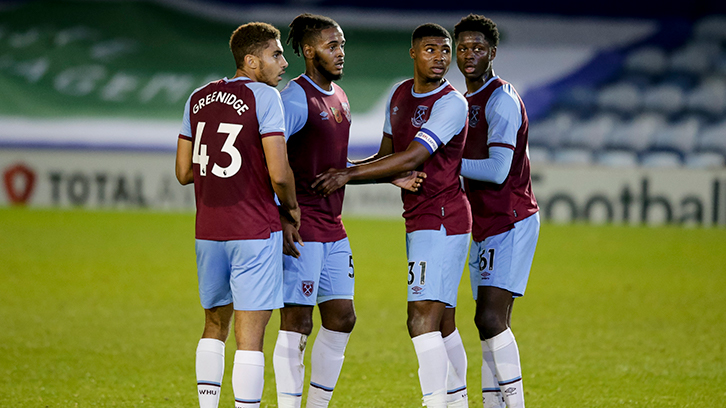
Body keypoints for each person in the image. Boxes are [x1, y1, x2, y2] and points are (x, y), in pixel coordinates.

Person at [313, 23, 471, 408]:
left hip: (443, 218)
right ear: (413, 54)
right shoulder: (400, 95)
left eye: (445, 50)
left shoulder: (452, 103)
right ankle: (458, 401)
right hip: (419, 218)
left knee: (420, 319)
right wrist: (350, 172)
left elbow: (416, 156)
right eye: (431, 50)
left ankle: (435, 402)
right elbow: (388, 159)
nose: (441, 58)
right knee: (442, 320)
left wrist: (347, 174)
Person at [272, 14, 424, 408]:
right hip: (302, 226)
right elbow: (267, 158)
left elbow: (337, 165)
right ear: (308, 51)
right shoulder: (294, 98)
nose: (341, 54)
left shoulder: (339, 96)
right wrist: (281, 215)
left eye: (342, 45)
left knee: (342, 317)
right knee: (297, 324)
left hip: (333, 228)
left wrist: (382, 175)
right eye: (331, 46)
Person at [175, 22, 300, 408]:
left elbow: (183, 172)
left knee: (214, 325)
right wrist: (292, 210)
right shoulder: (265, 97)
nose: (283, 62)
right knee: (251, 339)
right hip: (254, 231)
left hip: (208, 231)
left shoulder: (197, 97)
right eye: (275, 54)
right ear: (251, 61)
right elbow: (279, 174)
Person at [454, 14, 540, 408]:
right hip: (485, 222)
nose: (468, 55)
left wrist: (446, 166)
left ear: (492, 52)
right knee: (487, 322)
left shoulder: (501, 99)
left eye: (477, 48)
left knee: (490, 319)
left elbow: (497, 169)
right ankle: (494, 404)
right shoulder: (465, 100)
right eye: (463, 48)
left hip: (511, 218)